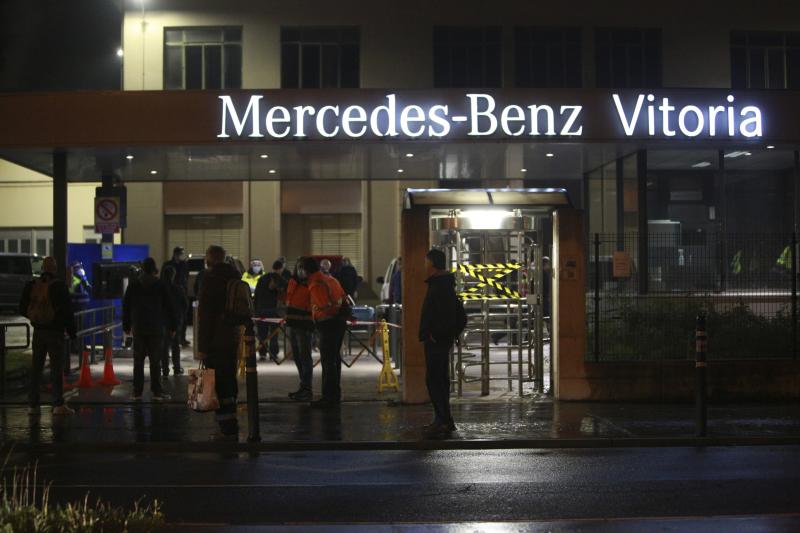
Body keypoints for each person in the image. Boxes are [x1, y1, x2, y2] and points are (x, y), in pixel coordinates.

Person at [19, 256, 76, 416]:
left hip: (38, 332)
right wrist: (72, 332)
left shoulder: (33, 285)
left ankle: (33, 404)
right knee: (56, 368)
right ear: (55, 268)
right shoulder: (59, 286)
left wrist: (35, 318)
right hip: (55, 332)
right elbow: (67, 312)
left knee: (36, 367)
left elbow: (22, 307)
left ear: (43, 268)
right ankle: (58, 404)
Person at [197, 245, 244, 438]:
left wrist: (202, 347)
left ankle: (226, 425)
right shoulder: (235, 277)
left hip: (215, 340)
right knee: (229, 379)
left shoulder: (210, 279)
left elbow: (205, 317)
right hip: (232, 337)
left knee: (218, 383)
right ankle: (230, 420)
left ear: (211, 258)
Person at [418, 248, 465, 436]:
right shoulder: (443, 284)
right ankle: (443, 419)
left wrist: (436, 335)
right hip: (439, 340)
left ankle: (443, 420)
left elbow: (454, 316)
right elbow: (460, 316)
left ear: (432, 264)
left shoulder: (440, 286)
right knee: (438, 379)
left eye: (425, 262)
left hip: (437, 342)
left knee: (435, 380)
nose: (423, 265)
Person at [123, 257, 176, 401]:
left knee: (138, 361)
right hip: (156, 327)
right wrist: (173, 325)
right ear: (154, 269)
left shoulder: (134, 285)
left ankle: (137, 391)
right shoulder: (160, 285)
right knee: (155, 360)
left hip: (139, 327)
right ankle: (157, 391)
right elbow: (169, 306)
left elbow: (126, 306)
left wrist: (126, 325)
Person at [304, 257, 348, 408]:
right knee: (335, 359)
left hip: (328, 323)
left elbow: (322, 306)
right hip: (340, 321)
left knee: (328, 361)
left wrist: (316, 317)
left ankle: (328, 397)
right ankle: (335, 394)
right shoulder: (332, 280)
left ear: (304, 271)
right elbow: (344, 298)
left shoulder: (315, 284)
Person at [285, 258, 314, 401]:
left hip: (305, 325)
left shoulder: (311, 283)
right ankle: (303, 386)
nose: (300, 270)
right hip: (293, 323)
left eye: (302, 267)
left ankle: (306, 388)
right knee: (297, 356)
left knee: (304, 356)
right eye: (298, 267)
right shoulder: (292, 282)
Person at [253, 260, 288, 362]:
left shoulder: (262, 278)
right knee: (274, 333)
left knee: (262, 333)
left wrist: (255, 310)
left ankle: (262, 353)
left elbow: (256, 295)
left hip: (260, 310)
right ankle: (273, 353)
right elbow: (285, 291)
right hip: (274, 310)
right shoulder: (280, 278)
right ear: (281, 268)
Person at [161, 264, 188, 376]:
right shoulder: (178, 289)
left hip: (162, 321)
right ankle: (176, 368)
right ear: (173, 275)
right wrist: (181, 316)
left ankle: (165, 369)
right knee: (175, 345)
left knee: (164, 346)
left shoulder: (160, 289)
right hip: (176, 320)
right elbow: (185, 305)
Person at [163, 246, 190, 347]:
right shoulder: (168, 265)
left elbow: (186, 276)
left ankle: (182, 338)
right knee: (171, 317)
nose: (181, 256)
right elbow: (163, 277)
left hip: (181, 292)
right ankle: (171, 340)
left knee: (183, 318)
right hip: (170, 292)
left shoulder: (184, 264)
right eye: (180, 254)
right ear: (175, 254)